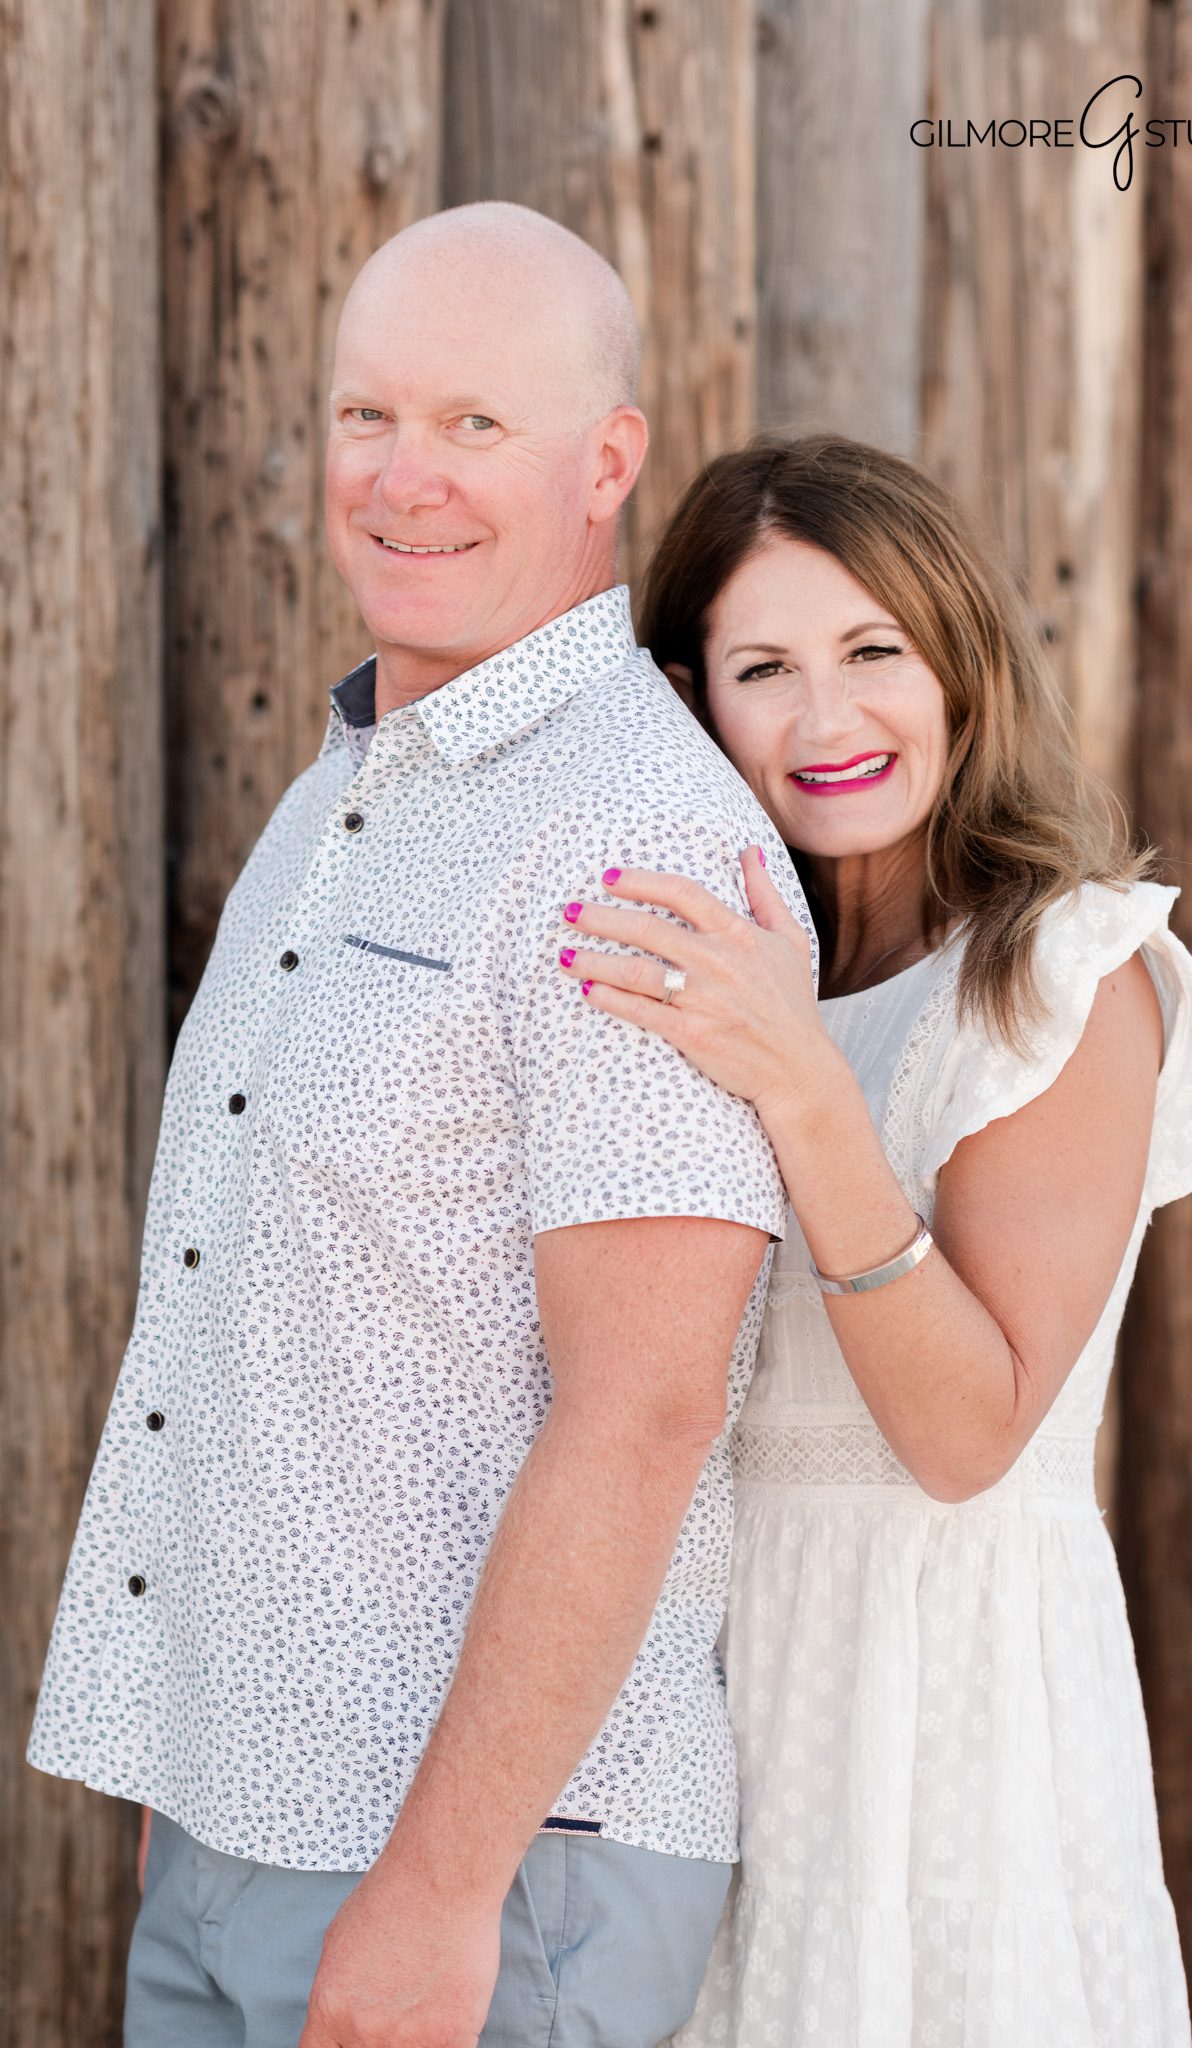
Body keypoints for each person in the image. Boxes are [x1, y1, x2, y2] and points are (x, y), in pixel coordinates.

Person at [26, 205, 818, 2048]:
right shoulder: (345, 797)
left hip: (481, 1875)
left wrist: (445, 1888)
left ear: (606, 463)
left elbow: (643, 1411)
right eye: (365, 415)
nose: (403, 478)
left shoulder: (630, 837)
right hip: (240, 1816)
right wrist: (195, 1765)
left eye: (475, 424)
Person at [551, 433, 1192, 2047]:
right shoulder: (728, 968)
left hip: (945, 1706)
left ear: (958, 657)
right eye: (766, 670)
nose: (828, 719)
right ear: (692, 701)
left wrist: (804, 1084)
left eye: (874, 651)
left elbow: (964, 1436)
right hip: (708, 1695)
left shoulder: (1060, 975)